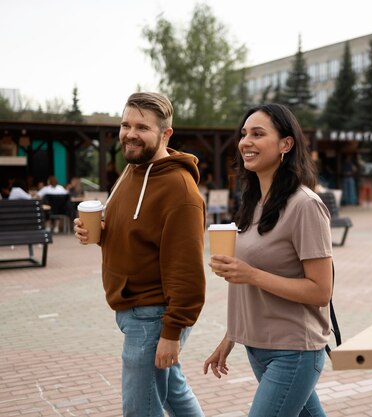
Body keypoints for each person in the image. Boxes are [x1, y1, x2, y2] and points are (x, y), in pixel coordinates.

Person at [73, 92, 206, 416]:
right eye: (125, 124)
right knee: (175, 395)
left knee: (138, 410)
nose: (130, 134)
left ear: (165, 134)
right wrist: (101, 234)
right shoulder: (133, 169)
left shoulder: (179, 189)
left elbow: (187, 270)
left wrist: (172, 333)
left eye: (142, 127)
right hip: (134, 310)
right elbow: (136, 232)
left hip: (154, 317)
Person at [203, 103, 333, 417]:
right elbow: (246, 283)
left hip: (294, 350)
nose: (245, 141)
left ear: (286, 144)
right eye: (244, 134)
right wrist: (232, 335)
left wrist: (251, 274)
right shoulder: (253, 204)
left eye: (258, 134)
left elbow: (320, 291)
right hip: (258, 346)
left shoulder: (305, 205)